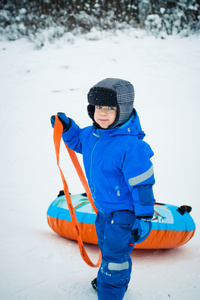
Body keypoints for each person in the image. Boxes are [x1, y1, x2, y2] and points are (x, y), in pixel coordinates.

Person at [51, 78, 155, 300]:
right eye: (98, 107)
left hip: (125, 214)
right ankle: (114, 281)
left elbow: (143, 185)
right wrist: (68, 128)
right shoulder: (92, 134)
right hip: (103, 210)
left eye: (110, 108)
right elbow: (79, 142)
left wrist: (144, 217)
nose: (103, 114)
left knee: (114, 258)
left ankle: (110, 292)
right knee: (111, 251)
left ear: (123, 110)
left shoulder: (131, 147)